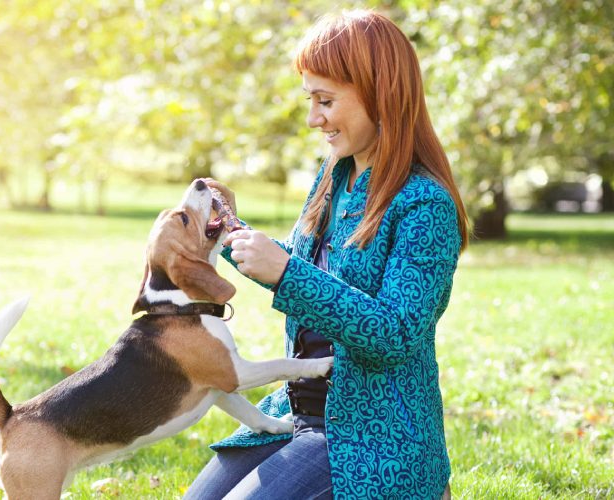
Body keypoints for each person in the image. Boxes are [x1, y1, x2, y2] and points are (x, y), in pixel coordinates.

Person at [184, 9, 469, 500]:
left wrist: (286, 274)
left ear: (381, 93)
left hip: (373, 437)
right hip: (297, 411)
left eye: (326, 101)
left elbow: (395, 334)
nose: (314, 118)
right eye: (309, 100)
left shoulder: (426, 205)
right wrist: (227, 226)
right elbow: (295, 262)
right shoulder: (335, 175)